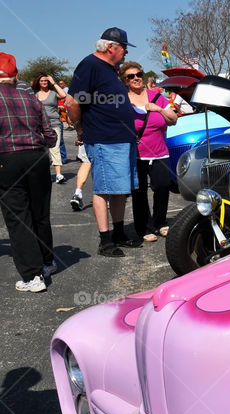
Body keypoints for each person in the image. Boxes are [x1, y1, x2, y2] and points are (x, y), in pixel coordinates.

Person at [64, 27, 141, 257]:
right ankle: (105, 241)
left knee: (120, 190)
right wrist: (80, 129)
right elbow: (71, 102)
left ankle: (119, 233)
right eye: (124, 48)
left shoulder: (110, 69)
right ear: (111, 47)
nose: (126, 52)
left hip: (121, 139)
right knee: (104, 189)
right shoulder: (90, 65)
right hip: (104, 139)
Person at [0, 52, 58, 292]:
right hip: (37, 158)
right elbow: (51, 136)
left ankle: (33, 276)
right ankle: (47, 262)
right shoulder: (32, 99)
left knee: (18, 219)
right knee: (40, 213)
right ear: (16, 76)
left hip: (7, 160)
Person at [121, 61, 177, 241]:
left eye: (138, 74)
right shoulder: (122, 101)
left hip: (160, 151)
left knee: (162, 186)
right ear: (125, 81)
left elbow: (173, 119)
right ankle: (144, 227)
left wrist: (158, 109)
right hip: (136, 154)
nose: (136, 78)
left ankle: (160, 222)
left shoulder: (156, 96)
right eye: (131, 76)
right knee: (139, 192)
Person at [31, 74, 67, 183]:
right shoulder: (35, 95)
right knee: (42, 151)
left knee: (55, 148)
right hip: (39, 125)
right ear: (38, 82)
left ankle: (58, 175)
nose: (44, 82)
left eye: (46, 81)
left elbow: (63, 94)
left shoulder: (53, 93)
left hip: (54, 123)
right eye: (42, 81)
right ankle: (44, 174)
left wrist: (53, 82)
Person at [70, 139, 91, 211]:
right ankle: (107, 196)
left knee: (86, 163)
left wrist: (80, 136)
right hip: (108, 137)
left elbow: (77, 127)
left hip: (87, 135)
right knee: (105, 163)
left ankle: (77, 193)